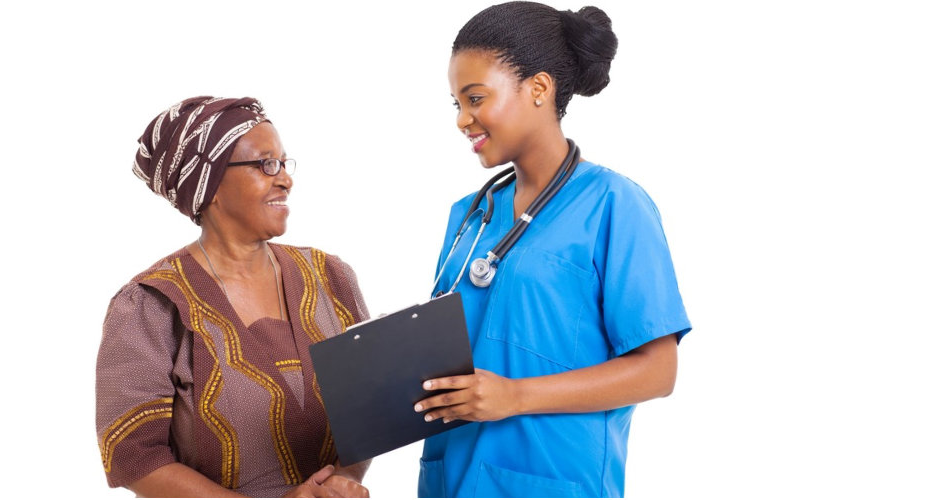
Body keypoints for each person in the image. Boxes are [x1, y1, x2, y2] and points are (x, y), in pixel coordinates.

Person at [414, 3, 692, 497]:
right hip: (452, 478)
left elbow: (658, 370)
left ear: (539, 88)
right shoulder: (469, 214)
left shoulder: (613, 205)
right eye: (456, 103)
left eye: (475, 97)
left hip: (550, 480)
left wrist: (514, 395)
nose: (462, 119)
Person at [98, 96, 371, 497]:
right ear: (208, 185)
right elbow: (134, 458)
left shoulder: (330, 278)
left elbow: (370, 406)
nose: (285, 179)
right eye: (265, 164)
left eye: (283, 162)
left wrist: (341, 482)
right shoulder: (151, 305)